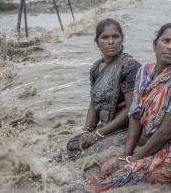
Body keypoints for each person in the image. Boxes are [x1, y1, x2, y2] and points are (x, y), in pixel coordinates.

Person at [72, 23, 171, 191]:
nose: (170, 47)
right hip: (154, 149)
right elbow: (135, 115)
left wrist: (132, 161)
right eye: (165, 41)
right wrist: (126, 155)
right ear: (155, 44)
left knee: (116, 178)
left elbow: (164, 133)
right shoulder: (145, 71)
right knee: (107, 167)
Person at [53, 18, 142, 162]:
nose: (111, 41)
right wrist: (86, 131)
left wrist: (99, 134)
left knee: (90, 153)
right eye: (105, 37)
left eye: (115, 37)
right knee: (73, 145)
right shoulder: (96, 68)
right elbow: (94, 103)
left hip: (127, 128)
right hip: (107, 127)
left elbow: (132, 109)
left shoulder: (129, 66)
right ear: (97, 42)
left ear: (122, 40)